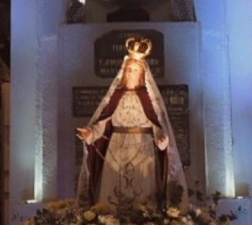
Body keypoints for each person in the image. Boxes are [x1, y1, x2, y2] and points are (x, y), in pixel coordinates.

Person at [76, 37, 188, 209]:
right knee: (114, 193)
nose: (130, 73)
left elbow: (157, 124)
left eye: (134, 70)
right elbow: (103, 122)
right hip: (116, 149)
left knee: (142, 193)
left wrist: (162, 140)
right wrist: (90, 133)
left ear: (142, 74)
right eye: (128, 69)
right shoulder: (116, 96)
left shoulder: (148, 98)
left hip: (143, 150)